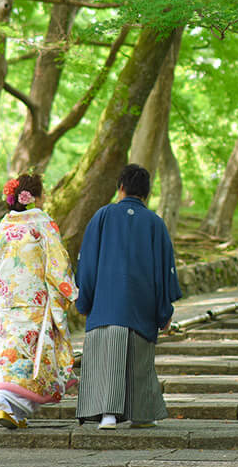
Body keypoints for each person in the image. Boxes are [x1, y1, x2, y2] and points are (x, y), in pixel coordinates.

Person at [0, 173, 77, 429]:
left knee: (6, 353)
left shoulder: (4, 225)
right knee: (30, 356)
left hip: (3, 303)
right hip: (34, 302)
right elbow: (58, 263)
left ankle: (6, 406)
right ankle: (16, 407)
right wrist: (71, 292)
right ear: (36, 196)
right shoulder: (44, 223)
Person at [75, 163, 183, 429]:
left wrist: (85, 301)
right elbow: (165, 271)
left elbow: (87, 264)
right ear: (146, 193)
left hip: (106, 306)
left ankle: (107, 415)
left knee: (107, 359)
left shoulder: (102, 216)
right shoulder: (156, 224)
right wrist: (163, 312)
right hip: (142, 307)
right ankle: (143, 414)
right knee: (140, 364)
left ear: (120, 187)